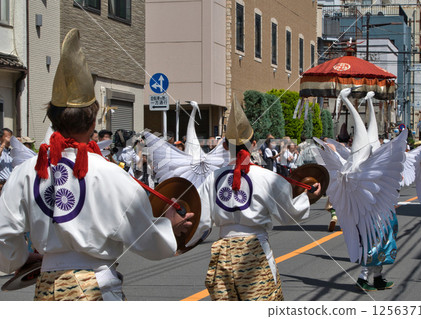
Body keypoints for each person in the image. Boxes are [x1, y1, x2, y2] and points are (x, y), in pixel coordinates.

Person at [0, 29, 193, 301]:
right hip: (94, 286)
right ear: (94, 122)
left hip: (46, 288)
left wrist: (20, 257)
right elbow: (148, 242)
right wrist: (168, 226)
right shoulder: (112, 174)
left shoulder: (24, 172)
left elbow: (3, 237)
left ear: (52, 120)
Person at [188, 97, 321, 301]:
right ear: (253, 144)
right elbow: (290, 215)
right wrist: (307, 197)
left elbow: (201, 222)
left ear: (224, 146)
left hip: (222, 253)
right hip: (255, 250)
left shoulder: (211, 179)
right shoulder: (268, 178)